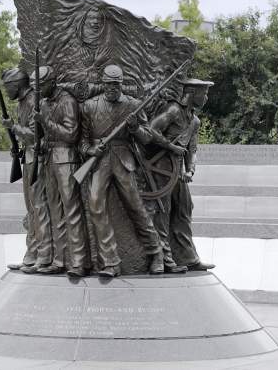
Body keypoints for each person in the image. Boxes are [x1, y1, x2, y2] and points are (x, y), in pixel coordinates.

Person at [80, 64, 164, 277]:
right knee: (96, 205)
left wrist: (135, 127)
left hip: (123, 159)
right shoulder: (89, 106)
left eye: (116, 84)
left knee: (135, 206)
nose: (112, 88)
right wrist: (91, 149)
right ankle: (110, 262)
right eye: (108, 84)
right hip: (100, 161)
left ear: (121, 84)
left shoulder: (133, 105)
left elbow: (147, 138)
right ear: (103, 83)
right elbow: (81, 142)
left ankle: (156, 253)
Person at [149, 78, 215, 271]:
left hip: (178, 171)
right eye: (204, 94)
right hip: (161, 168)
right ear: (192, 93)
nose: (206, 98)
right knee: (163, 212)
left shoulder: (194, 121)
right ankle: (166, 261)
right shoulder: (174, 111)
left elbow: (192, 149)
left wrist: (190, 169)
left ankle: (188, 257)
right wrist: (170, 146)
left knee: (185, 210)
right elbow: (152, 129)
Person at [29, 66, 89, 277]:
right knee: (56, 211)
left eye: (40, 86)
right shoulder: (44, 103)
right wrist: (42, 140)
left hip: (66, 160)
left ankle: (79, 261)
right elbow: (48, 134)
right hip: (49, 160)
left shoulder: (68, 102)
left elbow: (71, 134)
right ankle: (60, 259)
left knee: (71, 211)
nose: (37, 91)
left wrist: (45, 121)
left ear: (51, 82)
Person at [0, 68, 53, 272]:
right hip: (28, 159)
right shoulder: (22, 103)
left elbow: (35, 136)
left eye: (8, 88)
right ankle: (31, 255)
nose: (7, 92)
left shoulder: (32, 102)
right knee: (31, 210)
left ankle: (45, 255)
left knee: (40, 208)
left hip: (38, 159)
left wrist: (13, 127)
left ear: (17, 85)